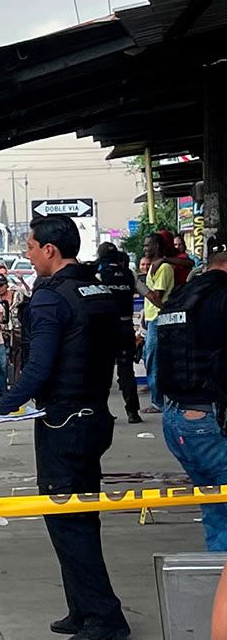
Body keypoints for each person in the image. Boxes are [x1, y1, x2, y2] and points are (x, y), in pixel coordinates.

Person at [0, 216, 129, 640]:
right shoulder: (96, 290)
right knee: (79, 516)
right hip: (95, 416)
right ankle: (81, 609)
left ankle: (104, 617)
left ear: (50, 249)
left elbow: (38, 367)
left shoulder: (50, 298)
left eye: (30, 247)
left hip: (63, 422)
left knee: (69, 523)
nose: (27, 256)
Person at [156, 234, 227, 550]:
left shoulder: (182, 296)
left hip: (179, 421)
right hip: (210, 421)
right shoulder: (222, 298)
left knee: (217, 514)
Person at [95, 243, 142, 424]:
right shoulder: (129, 275)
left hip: (106, 329)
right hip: (126, 327)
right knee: (126, 370)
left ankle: (102, 412)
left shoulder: (99, 276)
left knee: (103, 372)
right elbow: (148, 293)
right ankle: (133, 412)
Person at [143, 233, 176, 414]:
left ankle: (158, 402)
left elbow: (157, 297)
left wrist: (141, 288)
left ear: (156, 246)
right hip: (151, 317)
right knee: (149, 357)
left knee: (153, 360)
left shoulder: (163, 268)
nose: (145, 249)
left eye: (147, 245)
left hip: (158, 318)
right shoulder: (154, 267)